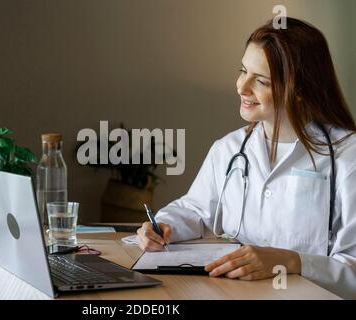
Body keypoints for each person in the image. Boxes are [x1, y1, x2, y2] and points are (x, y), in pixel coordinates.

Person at [136, 17, 356, 299]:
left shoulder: (347, 157)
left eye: (260, 80)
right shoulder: (228, 148)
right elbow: (196, 209)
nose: (242, 86)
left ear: (300, 89)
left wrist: (290, 261)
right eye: (243, 71)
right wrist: (162, 226)